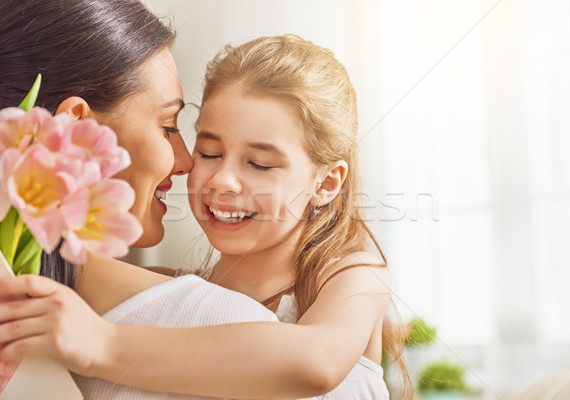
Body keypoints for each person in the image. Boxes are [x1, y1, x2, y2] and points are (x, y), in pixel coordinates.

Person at [0, 2, 411, 398]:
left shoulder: (352, 273)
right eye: (209, 153)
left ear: (326, 183)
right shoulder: (166, 288)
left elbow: (317, 362)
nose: (223, 180)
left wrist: (103, 344)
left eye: (260, 163)